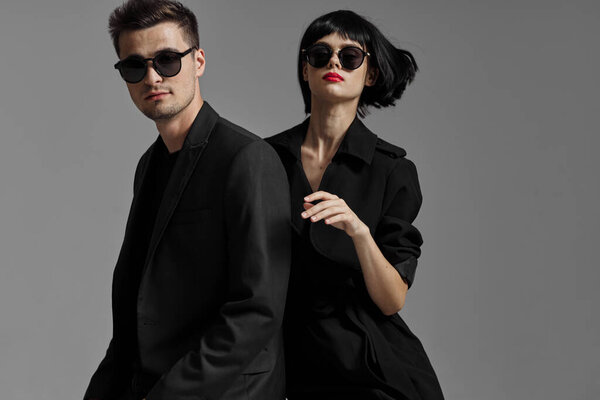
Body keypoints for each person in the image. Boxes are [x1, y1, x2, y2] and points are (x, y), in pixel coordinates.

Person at [84, 1, 290, 399]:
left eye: (166, 60)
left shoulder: (247, 158)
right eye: (134, 66)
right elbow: (134, 302)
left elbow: (257, 309)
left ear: (198, 61)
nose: (151, 77)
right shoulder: (150, 164)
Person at [267, 10, 444, 400]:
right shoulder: (265, 158)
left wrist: (360, 233)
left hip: (372, 367)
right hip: (289, 361)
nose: (334, 62)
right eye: (320, 54)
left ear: (371, 74)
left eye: (350, 56)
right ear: (305, 69)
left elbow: (392, 299)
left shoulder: (391, 170)